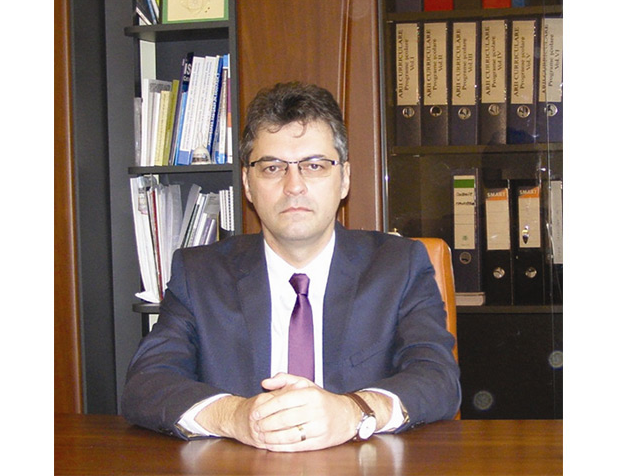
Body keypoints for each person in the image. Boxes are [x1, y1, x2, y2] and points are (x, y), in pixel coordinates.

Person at [122, 82, 460, 452]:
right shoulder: (199, 274)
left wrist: (354, 412)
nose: (293, 186)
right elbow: (146, 383)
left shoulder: (399, 266)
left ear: (344, 178)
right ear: (248, 184)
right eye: (272, 167)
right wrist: (234, 416)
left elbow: (438, 378)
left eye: (314, 165)